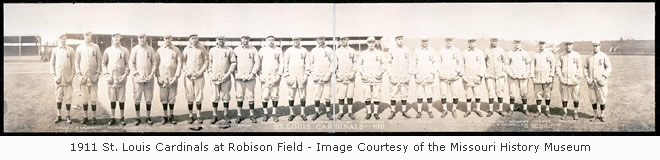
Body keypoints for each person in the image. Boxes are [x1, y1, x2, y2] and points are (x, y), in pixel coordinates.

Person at [129, 34, 158, 125]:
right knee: (137, 98)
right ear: (138, 39)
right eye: (140, 38)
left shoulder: (151, 49)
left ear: (146, 39)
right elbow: (131, 63)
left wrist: (151, 74)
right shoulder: (134, 49)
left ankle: (148, 117)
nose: (142, 39)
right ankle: (137, 118)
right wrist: (136, 75)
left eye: (143, 37)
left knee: (148, 99)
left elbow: (154, 63)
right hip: (138, 79)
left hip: (149, 79)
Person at [74, 31, 102, 125]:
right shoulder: (79, 47)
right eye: (86, 35)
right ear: (83, 36)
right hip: (84, 78)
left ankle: (94, 117)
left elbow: (99, 61)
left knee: (93, 98)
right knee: (85, 99)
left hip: (93, 78)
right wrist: (79, 75)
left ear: (91, 36)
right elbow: (76, 63)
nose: (88, 37)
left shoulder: (96, 47)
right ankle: (85, 116)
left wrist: (97, 73)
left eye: (89, 35)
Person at [102, 33, 130, 125]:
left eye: (117, 36)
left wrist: (125, 75)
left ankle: (122, 117)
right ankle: (112, 117)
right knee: (112, 99)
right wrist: (107, 74)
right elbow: (104, 64)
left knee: (122, 99)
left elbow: (128, 64)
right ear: (112, 38)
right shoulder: (108, 50)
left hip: (121, 79)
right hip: (111, 79)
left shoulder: (125, 50)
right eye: (114, 37)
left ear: (120, 38)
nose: (116, 38)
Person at [207, 36, 235, 127]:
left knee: (226, 97)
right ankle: (214, 115)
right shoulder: (212, 50)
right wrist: (211, 74)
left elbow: (233, 63)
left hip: (225, 78)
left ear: (224, 40)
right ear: (216, 40)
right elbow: (209, 63)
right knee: (215, 97)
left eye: (222, 39)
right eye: (219, 39)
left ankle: (226, 115)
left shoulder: (229, 50)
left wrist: (228, 74)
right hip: (215, 78)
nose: (220, 41)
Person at [357, 36, 386, 120]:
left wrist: (381, 72)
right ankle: (369, 112)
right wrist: (362, 74)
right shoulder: (363, 53)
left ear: (374, 43)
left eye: (372, 42)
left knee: (377, 95)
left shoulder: (380, 53)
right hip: (366, 77)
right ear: (367, 43)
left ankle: (376, 112)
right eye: (369, 42)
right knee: (367, 95)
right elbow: (359, 65)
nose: (371, 44)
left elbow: (384, 64)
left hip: (376, 77)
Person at [155, 34, 182, 125]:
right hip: (162, 78)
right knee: (163, 97)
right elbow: (156, 63)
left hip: (172, 77)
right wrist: (157, 76)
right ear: (163, 39)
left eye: (169, 38)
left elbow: (179, 64)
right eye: (166, 38)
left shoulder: (176, 50)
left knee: (172, 97)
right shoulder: (160, 50)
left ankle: (171, 115)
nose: (167, 40)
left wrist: (176, 76)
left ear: (171, 39)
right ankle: (165, 116)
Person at [182, 34, 208, 125]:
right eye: (192, 38)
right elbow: (183, 62)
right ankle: (190, 115)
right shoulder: (186, 49)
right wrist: (186, 71)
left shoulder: (202, 48)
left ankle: (198, 115)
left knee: (199, 96)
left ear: (198, 39)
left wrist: (201, 71)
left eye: (195, 38)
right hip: (189, 76)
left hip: (199, 76)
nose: (194, 40)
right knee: (189, 96)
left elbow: (206, 61)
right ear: (189, 39)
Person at [234, 35, 261, 124]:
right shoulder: (236, 49)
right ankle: (239, 115)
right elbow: (233, 63)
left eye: (247, 39)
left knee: (250, 96)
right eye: (244, 38)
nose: (245, 40)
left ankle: (252, 115)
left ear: (249, 40)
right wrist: (236, 74)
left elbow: (257, 62)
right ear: (241, 39)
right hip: (239, 78)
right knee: (239, 96)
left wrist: (253, 73)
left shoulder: (253, 49)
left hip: (250, 77)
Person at [384, 35, 413, 119]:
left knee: (404, 94)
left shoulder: (406, 49)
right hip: (395, 76)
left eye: (401, 39)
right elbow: (388, 63)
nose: (400, 41)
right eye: (398, 39)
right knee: (393, 94)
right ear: (395, 40)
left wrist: (409, 74)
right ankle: (393, 111)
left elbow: (410, 62)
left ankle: (404, 111)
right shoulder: (391, 50)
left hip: (404, 75)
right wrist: (390, 75)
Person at [283, 36, 310, 121]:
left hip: (302, 77)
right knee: (291, 96)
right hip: (292, 77)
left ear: (300, 40)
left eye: (297, 39)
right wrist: (287, 75)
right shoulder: (288, 50)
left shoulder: (304, 50)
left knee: (303, 96)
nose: (295, 41)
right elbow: (285, 64)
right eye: (294, 39)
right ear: (292, 40)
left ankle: (302, 113)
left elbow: (308, 64)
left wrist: (306, 75)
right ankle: (292, 113)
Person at [258, 35, 284, 122]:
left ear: (274, 41)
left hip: (275, 76)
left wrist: (279, 75)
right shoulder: (262, 50)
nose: (271, 41)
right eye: (269, 40)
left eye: (272, 40)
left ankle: (274, 113)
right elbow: (258, 63)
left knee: (274, 96)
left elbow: (282, 63)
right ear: (266, 41)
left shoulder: (278, 50)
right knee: (265, 96)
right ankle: (265, 113)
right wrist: (260, 75)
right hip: (265, 77)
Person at [50, 33, 75, 124]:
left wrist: (72, 76)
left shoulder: (70, 50)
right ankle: (59, 115)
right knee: (58, 97)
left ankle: (68, 116)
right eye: (61, 39)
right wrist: (54, 76)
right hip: (58, 79)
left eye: (64, 38)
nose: (63, 40)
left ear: (66, 39)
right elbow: (52, 64)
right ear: (58, 40)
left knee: (68, 98)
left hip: (68, 79)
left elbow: (73, 64)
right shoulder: (55, 50)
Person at [584, 40, 611, 122]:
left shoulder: (604, 56)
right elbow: (585, 68)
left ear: (600, 46)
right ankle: (595, 115)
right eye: (594, 46)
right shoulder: (589, 57)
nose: (595, 47)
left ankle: (602, 114)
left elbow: (609, 67)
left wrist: (604, 76)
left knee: (602, 98)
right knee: (593, 99)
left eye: (597, 45)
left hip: (601, 82)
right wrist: (587, 77)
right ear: (592, 46)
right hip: (591, 82)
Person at [436, 37, 462, 118]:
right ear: (445, 41)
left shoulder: (456, 50)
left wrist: (456, 72)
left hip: (454, 76)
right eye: (447, 40)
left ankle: (454, 109)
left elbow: (460, 62)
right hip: (444, 76)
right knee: (443, 93)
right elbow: (438, 63)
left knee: (455, 93)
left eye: (450, 40)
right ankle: (445, 110)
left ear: (452, 41)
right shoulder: (441, 51)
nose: (448, 42)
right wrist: (441, 73)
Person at [309, 36, 333, 121]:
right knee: (317, 95)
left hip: (326, 77)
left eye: (322, 39)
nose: (320, 40)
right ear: (316, 40)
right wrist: (313, 74)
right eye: (319, 39)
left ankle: (328, 112)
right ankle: (316, 112)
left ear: (324, 39)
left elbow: (333, 63)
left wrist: (329, 74)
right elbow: (311, 64)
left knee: (327, 95)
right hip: (317, 77)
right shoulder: (313, 50)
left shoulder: (329, 50)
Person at [557, 41, 582, 120]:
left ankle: (575, 112)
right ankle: (565, 112)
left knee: (575, 97)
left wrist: (577, 77)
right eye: (567, 44)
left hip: (574, 81)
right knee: (564, 97)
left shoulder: (577, 55)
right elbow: (558, 67)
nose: (568, 46)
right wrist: (560, 77)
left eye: (570, 45)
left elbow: (580, 68)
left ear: (572, 45)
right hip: (564, 81)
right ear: (564, 46)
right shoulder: (561, 55)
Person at [334, 36, 358, 120]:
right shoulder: (337, 51)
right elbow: (335, 64)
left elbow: (355, 62)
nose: (343, 41)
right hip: (341, 76)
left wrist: (354, 72)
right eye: (341, 40)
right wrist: (337, 73)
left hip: (350, 75)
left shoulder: (352, 50)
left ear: (347, 40)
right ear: (340, 41)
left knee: (350, 95)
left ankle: (350, 112)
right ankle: (341, 112)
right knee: (341, 95)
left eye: (345, 39)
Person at [505, 40, 531, 117]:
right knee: (512, 93)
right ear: (513, 43)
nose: (517, 44)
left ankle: (525, 109)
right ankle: (511, 109)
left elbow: (528, 64)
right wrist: (510, 73)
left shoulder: (525, 53)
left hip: (523, 77)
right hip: (513, 77)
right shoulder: (510, 53)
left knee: (524, 93)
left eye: (519, 43)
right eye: (516, 43)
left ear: (521, 43)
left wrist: (526, 73)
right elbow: (506, 64)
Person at [483, 36, 507, 117]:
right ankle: (490, 110)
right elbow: (483, 62)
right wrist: (485, 72)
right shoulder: (486, 50)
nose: (494, 42)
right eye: (493, 40)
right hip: (489, 75)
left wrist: (503, 71)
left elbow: (504, 61)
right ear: (490, 40)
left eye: (495, 40)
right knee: (491, 92)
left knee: (500, 92)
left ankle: (500, 109)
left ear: (497, 41)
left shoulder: (501, 50)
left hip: (499, 75)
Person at [530, 40, 556, 118]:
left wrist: (551, 76)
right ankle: (539, 110)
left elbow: (553, 65)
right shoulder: (535, 54)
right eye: (540, 43)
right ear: (538, 44)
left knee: (547, 94)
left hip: (547, 78)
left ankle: (547, 109)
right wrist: (532, 76)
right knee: (538, 94)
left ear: (545, 44)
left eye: (543, 43)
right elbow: (532, 66)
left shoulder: (550, 54)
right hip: (537, 78)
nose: (541, 45)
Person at [461, 38, 486, 117]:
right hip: (467, 77)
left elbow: (483, 65)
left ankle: (478, 110)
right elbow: (461, 65)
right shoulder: (464, 52)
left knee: (477, 94)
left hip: (476, 77)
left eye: (473, 42)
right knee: (468, 94)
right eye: (470, 42)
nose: (471, 43)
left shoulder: (479, 52)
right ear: (468, 42)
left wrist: (480, 75)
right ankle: (468, 110)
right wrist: (463, 75)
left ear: (475, 42)